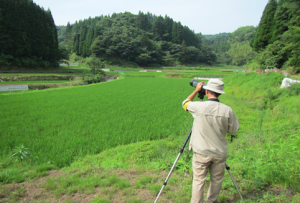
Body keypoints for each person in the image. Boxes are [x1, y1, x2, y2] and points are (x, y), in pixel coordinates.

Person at [182, 79, 239, 203]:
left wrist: (196, 90)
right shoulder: (227, 110)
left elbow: (185, 103)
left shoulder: (198, 107)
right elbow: (233, 130)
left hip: (201, 151)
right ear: (219, 93)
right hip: (219, 152)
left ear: (206, 91)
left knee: (198, 181)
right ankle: (211, 201)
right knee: (217, 180)